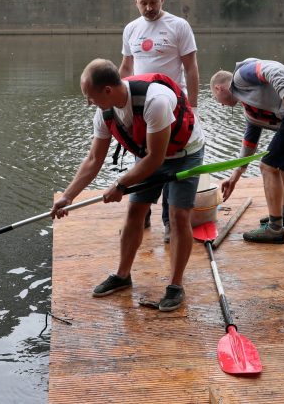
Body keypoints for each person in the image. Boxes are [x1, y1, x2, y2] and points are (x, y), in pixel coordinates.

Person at [51, 58, 205, 312]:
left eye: (90, 96)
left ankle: (176, 285)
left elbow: (157, 158)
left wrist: (121, 184)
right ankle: (123, 275)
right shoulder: (104, 111)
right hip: (149, 155)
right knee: (135, 211)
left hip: (183, 154)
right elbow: (93, 159)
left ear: (107, 90)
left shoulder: (155, 101)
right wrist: (68, 197)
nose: (88, 102)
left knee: (178, 216)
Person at [210, 58, 284, 244]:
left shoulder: (241, 76)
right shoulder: (250, 107)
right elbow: (249, 143)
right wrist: (235, 175)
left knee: (268, 166)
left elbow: (272, 69)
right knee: (278, 166)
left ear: (218, 88)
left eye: (215, 98)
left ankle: (275, 228)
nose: (220, 104)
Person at [120, 0, 200, 243]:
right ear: (136, 2)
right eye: (143, 2)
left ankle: (169, 222)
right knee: (142, 154)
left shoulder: (179, 26)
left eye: (153, 2)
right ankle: (140, 214)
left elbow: (191, 68)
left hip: (174, 105)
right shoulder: (131, 29)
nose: (149, 7)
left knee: (170, 161)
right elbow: (126, 67)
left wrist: (195, 107)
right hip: (141, 106)